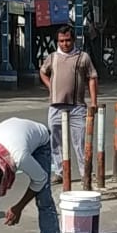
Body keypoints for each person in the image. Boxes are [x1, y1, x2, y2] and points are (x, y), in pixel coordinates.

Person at [40, 26, 98, 185]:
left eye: (67, 40)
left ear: (73, 40)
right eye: (61, 41)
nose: (65, 44)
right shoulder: (52, 57)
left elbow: (92, 78)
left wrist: (93, 101)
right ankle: (59, 172)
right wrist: (50, 86)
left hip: (77, 106)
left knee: (80, 142)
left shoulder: (83, 57)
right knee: (55, 141)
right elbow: (43, 72)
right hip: (56, 106)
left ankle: (85, 173)